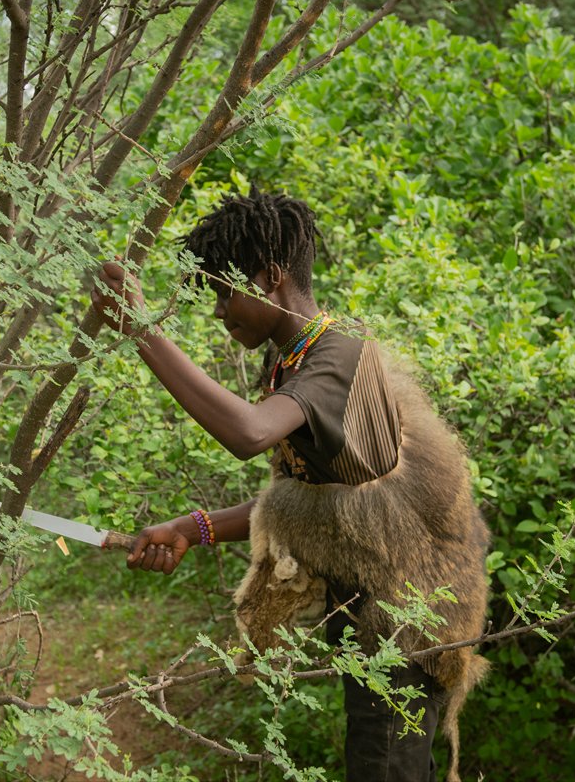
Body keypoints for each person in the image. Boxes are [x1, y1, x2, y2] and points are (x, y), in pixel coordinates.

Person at [89, 192, 489, 782]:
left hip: (405, 634)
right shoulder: (304, 363)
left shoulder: (335, 362)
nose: (221, 314)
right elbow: (318, 505)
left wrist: (140, 330)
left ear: (271, 277)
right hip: (382, 628)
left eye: (226, 293)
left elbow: (249, 433)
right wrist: (190, 530)